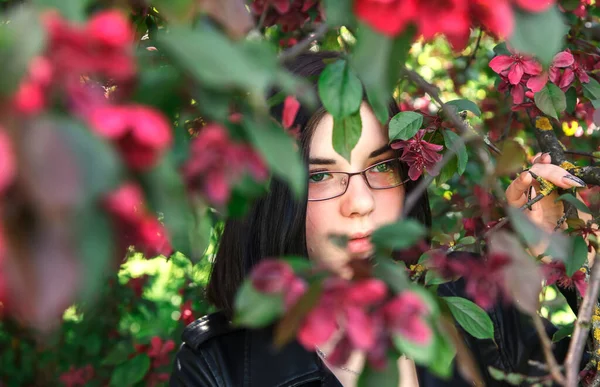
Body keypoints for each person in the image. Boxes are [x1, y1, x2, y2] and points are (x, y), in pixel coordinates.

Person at [169, 52, 588, 386]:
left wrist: (571, 253)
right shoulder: (218, 368)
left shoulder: (477, 317)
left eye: (381, 167)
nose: (362, 203)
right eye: (320, 175)